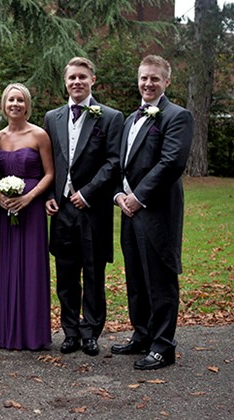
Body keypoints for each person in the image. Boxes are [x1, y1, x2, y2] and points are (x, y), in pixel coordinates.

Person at [111, 55, 193, 370]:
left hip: (157, 211)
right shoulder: (131, 119)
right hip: (128, 211)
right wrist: (120, 195)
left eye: (154, 79)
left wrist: (138, 197)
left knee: (160, 279)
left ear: (166, 82)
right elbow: (121, 163)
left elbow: (172, 162)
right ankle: (142, 335)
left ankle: (163, 345)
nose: (148, 83)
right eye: (144, 78)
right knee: (136, 277)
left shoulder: (177, 116)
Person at [44, 57, 123, 356]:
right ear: (65, 82)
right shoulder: (52, 117)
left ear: (93, 80)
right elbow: (48, 161)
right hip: (62, 209)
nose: (76, 82)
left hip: (93, 209)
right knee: (65, 274)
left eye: (82, 77)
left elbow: (114, 161)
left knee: (93, 273)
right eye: (71, 78)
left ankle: (91, 331)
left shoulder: (110, 117)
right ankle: (70, 331)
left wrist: (88, 193)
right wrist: (50, 194)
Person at [0, 84, 54, 350]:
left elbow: (50, 173)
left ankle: (32, 333)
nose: (15, 104)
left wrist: (29, 197)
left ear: (27, 105)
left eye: (20, 100)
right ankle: (3, 331)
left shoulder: (39, 135)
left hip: (32, 210)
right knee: (6, 265)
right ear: (3, 105)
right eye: (10, 100)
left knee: (31, 266)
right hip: (5, 211)